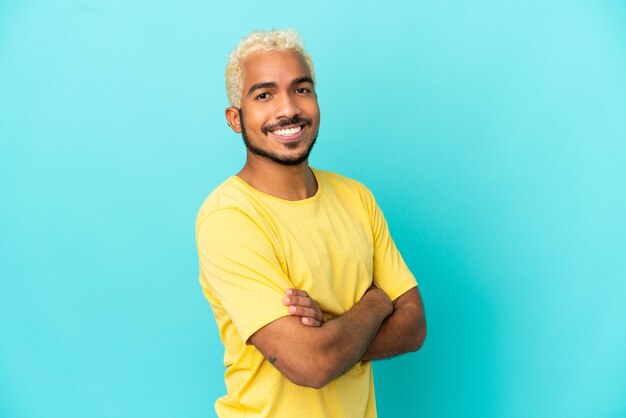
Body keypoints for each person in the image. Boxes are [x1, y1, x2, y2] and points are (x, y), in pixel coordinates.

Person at [195, 29, 426, 418]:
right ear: (235, 118)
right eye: (264, 95)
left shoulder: (356, 197)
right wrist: (374, 303)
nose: (287, 109)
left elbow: (414, 325)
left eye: (301, 89)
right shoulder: (229, 217)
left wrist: (331, 337)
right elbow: (311, 364)